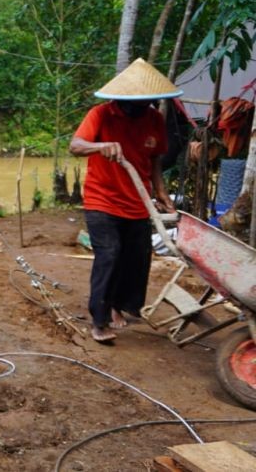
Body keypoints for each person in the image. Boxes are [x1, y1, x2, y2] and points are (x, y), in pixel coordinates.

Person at [70, 58, 178, 343]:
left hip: (137, 201)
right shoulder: (101, 115)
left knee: (137, 257)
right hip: (101, 200)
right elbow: (76, 146)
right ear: (120, 99)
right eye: (133, 104)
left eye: (145, 103)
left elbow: (154, 160)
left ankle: (121, 306)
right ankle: (100, 319)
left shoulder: (154, 119)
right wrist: (100, 145)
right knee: (110, 254)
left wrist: (161, 192)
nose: (138, 109)